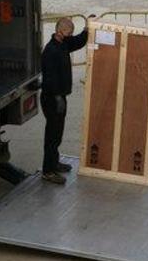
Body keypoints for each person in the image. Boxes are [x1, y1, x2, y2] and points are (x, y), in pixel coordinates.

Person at [40, 16, 92, 185]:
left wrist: (86, 29)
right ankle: (48, 171)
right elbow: (49, 79)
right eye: (68, 32)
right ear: (59, 31)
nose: (70, 35)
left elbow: (78, 42)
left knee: (58, 133)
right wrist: (57, 97)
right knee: (52, 135)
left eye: (71, 32)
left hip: (60, 97)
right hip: (52, 99)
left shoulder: (63, 44)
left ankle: (54, 162)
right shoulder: (50, 51)